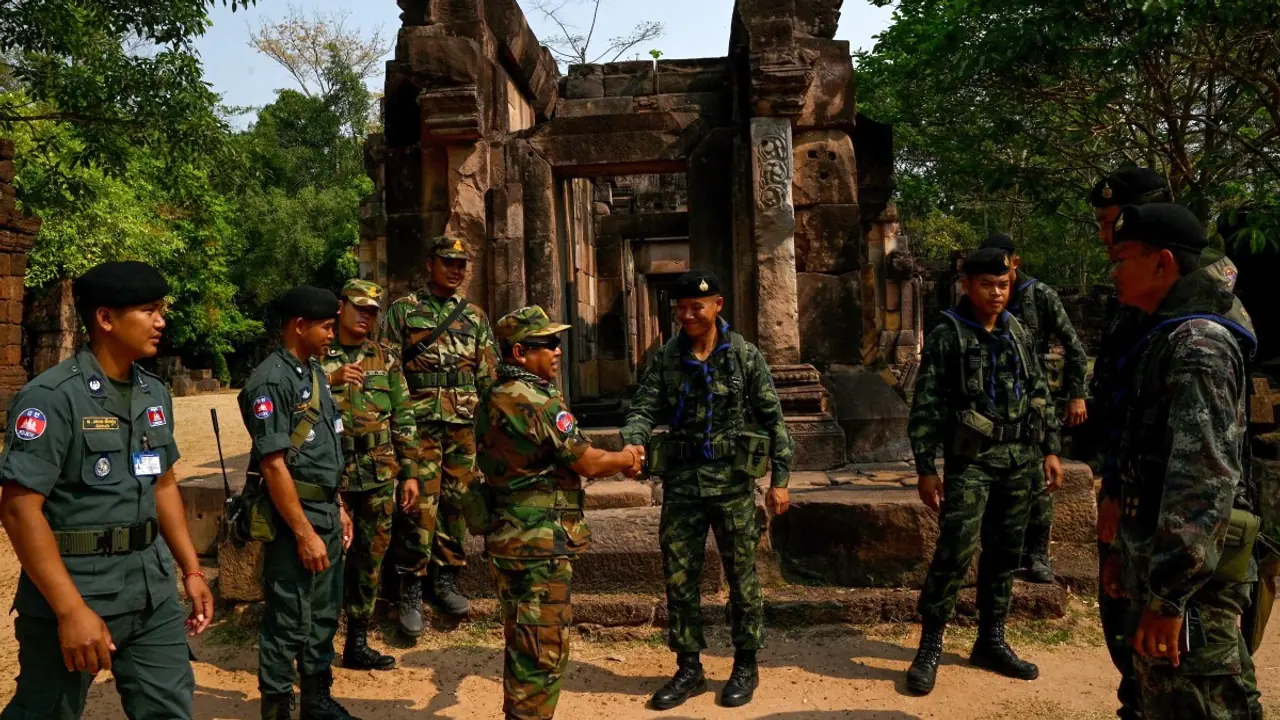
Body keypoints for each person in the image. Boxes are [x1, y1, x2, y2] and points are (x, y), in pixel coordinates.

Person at [0, 261, 213, 719]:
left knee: (169, 709)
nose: (161, 321)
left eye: (161, 310)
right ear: (105, 318)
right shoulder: (51, 398)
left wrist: (191, 570)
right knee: (46, 712)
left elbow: (163, 483)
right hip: (77, 590)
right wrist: (69, 610)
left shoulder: (153, 392)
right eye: (148, 310)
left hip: (151, 591)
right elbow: (19, 510)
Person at [1101, 203, 1262, 719]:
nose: (1113, 271)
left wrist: (1170, 598)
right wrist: (1125, 556)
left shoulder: (1197, 345)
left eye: (1122, 258)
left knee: (1200, 702)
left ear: (1162, 262)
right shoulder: (1165, 336)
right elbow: (1150, 463)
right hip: (1161, 572)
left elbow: (1202, 479)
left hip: (1192, 591)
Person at [620, 270, 794, 711]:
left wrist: (780, 480)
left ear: (717, 305)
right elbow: (643, 407)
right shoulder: (666, 357)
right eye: (680, 308)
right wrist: (634, 440)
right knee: (680, 578)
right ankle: (688, 667)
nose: (687, 315)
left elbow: (773, 419)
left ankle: (746, 663)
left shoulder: (744, 356)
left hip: (732, 484)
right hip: (682, 485)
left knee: (742, 577)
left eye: (696, 306)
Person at [468, 305, 643, 720]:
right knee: (543, 649)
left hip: (508, 536)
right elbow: (587, 462)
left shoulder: (493, 395)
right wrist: (629, 457)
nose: (557, 350)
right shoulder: (536, 401)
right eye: (546, 343)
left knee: (522, 638)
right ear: (519, 353)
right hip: (540, 543)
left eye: (557, 342)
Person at [905, 247, 1064, 695]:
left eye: (1003, 285)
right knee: (955, 551)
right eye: (987, 285)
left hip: (1019, 459)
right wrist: (926, 468)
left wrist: (1051, 449)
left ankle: (991, 639)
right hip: (972, 462)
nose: (997, 293)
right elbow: (926, 404)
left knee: (1005, 552)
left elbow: (1039, 390)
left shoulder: (1017, 331)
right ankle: (930, 645)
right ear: (968, 286)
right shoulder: (948, 335)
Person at [239, 286, 358, 720]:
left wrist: (338, 506)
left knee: (323, 612)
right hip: (295, 519)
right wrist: (305, 533)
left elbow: (323, 451)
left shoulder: (314, 372)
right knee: (289, 617)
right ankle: (277, 707)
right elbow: (273, 465)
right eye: (326, 327)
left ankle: (316, 699)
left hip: (323, 511)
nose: (332, 335)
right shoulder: (271, 381)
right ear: (300, 326)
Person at [383, 235, 498, 630]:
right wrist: (397, 423)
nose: (455, 270)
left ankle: (446, 577)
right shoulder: (403, 311)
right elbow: (389, 371)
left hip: (463, 427)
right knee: (417, 505)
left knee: (456, 502)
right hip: (419, 425)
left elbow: (488, 375)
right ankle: (410, 585)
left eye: (461, 264)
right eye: (448, 262)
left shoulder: (475, 317)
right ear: (430, 264)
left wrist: (493, 430)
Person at [321, 280, 426, 671]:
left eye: (372, 311)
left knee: (370, 559)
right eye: (359, 307)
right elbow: (294, 401)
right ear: (341, 306)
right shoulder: (318, 354)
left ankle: (357, 642)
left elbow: (403, 415)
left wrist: (410, 472)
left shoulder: (385, 357)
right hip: (331, 475)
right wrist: (329, 381)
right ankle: (317, 644)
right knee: (326, 558)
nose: (366, 316)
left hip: (379, 473)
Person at [978, 232, 1088, 584]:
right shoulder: (979, 296)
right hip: (990, 401)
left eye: (1003, 269)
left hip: (1033, 399)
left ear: (1015, 262)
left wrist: (1076, 394)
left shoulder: (1039, 295)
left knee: (1040, 479)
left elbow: (1074, 348)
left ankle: (1037, 553)